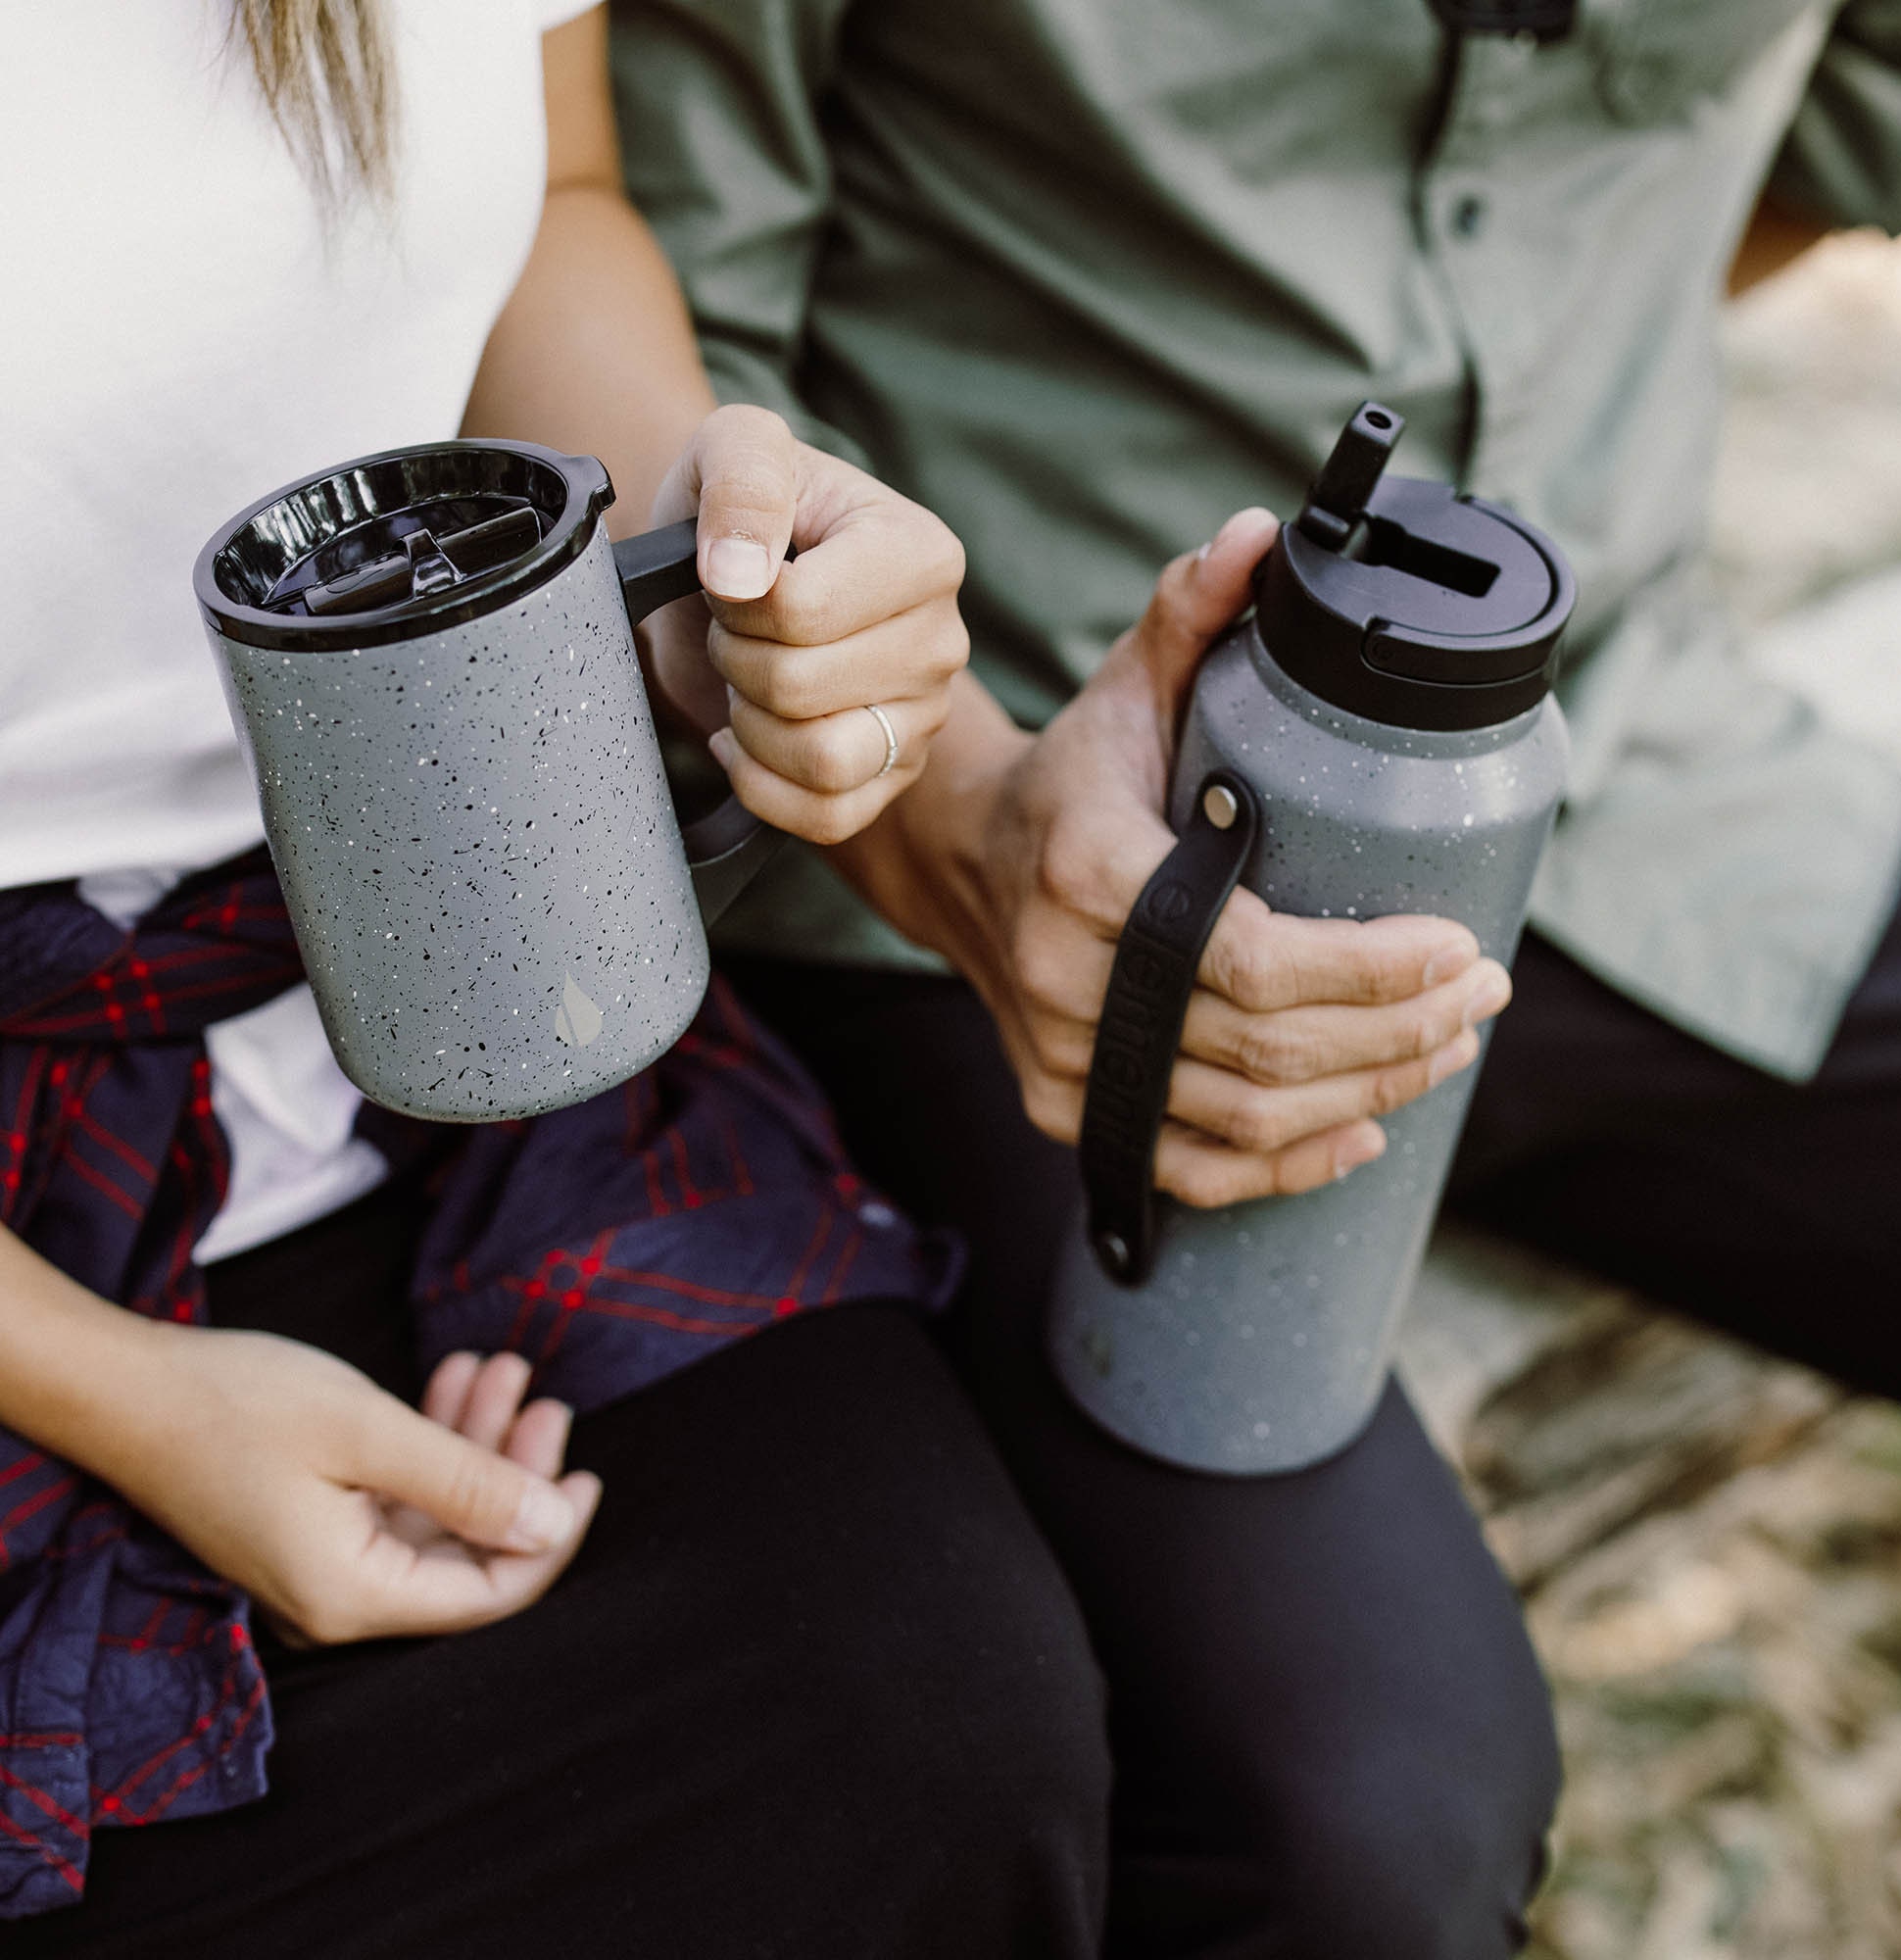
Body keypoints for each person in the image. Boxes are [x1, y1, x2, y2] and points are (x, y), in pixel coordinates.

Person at [608, 0, 1901, 1949]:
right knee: (1354, 1835)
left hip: (1645, 786)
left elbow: (1868, 120)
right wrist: (954, 821)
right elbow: (643, 331)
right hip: (996, 875)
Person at [0, 5, 1199, 1952]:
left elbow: (549, 200)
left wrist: (702, 560)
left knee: (930, 1742)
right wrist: (133, 1402)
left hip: (478, 962)